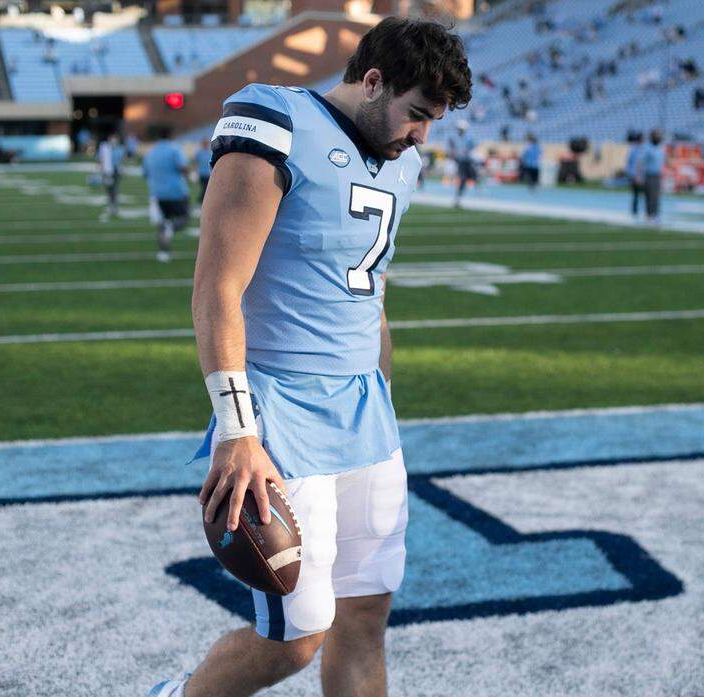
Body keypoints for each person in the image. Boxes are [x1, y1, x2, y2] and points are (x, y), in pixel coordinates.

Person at [147, 18, 471, 697]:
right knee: (294, 639)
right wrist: (238, 431)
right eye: (417, 115)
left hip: (365, 415)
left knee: (365, 619)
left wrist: (383, 393)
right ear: (373, 80)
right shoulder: (277, 118)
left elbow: (369, 290)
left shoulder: (404, 161)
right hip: (280, 409)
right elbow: (218, 288)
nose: (422, 137)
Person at [141, 126, 190, 263]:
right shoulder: (174, 149)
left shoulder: (151, 152)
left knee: (162, 224)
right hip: (176, 192)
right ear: (171, 135)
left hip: (157, 193)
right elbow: (183, 168)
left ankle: (163, 252)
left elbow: (145, 173)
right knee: (183, 219)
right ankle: (171, 227)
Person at [448, 119, 477, 207]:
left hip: (467, 160)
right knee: (463, 179)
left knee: (474, 176)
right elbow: (453, 149)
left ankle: (477, 193)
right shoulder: (456, 138)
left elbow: (472, 148)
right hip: (461, 161)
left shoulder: (468, 138)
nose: (459, 130)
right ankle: (458, 198)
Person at [640, 129, 665, 223]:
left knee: (656, 196)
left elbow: (662, 162)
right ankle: (649, 215)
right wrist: (640, 175)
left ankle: (655, 214)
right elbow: (641, 162)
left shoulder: (661, 148)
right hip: (649, 175)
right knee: (649, 196)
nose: (658, 138)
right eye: (656, 136)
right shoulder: (647, 148)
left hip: (657, 175)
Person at [97, 132, 123, 222]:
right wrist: (101, 170)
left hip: (116, 171)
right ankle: (111, 204)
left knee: (115, 189)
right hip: (108, 172)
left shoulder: (120, 148)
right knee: (109, 189)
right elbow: (101, 159)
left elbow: (121, 160)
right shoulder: (105, 148)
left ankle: (114, 205)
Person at [625, 130, 644, 216]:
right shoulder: (633, 150)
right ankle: (634, 212)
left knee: (643, 195)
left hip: (642, 176)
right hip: (634, 176)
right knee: (635, 195)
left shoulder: (644, 150)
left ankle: (644, 212)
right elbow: (629, 163)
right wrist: (632, 175)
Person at [193, 137, 212, 203]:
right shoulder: (199, 153)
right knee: (204, 189)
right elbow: (195, 162)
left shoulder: (211, 152)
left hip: (210, 174)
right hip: (202, 174)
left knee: (207, 189)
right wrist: (195, 172)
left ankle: (203, 201)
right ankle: (200, 201)